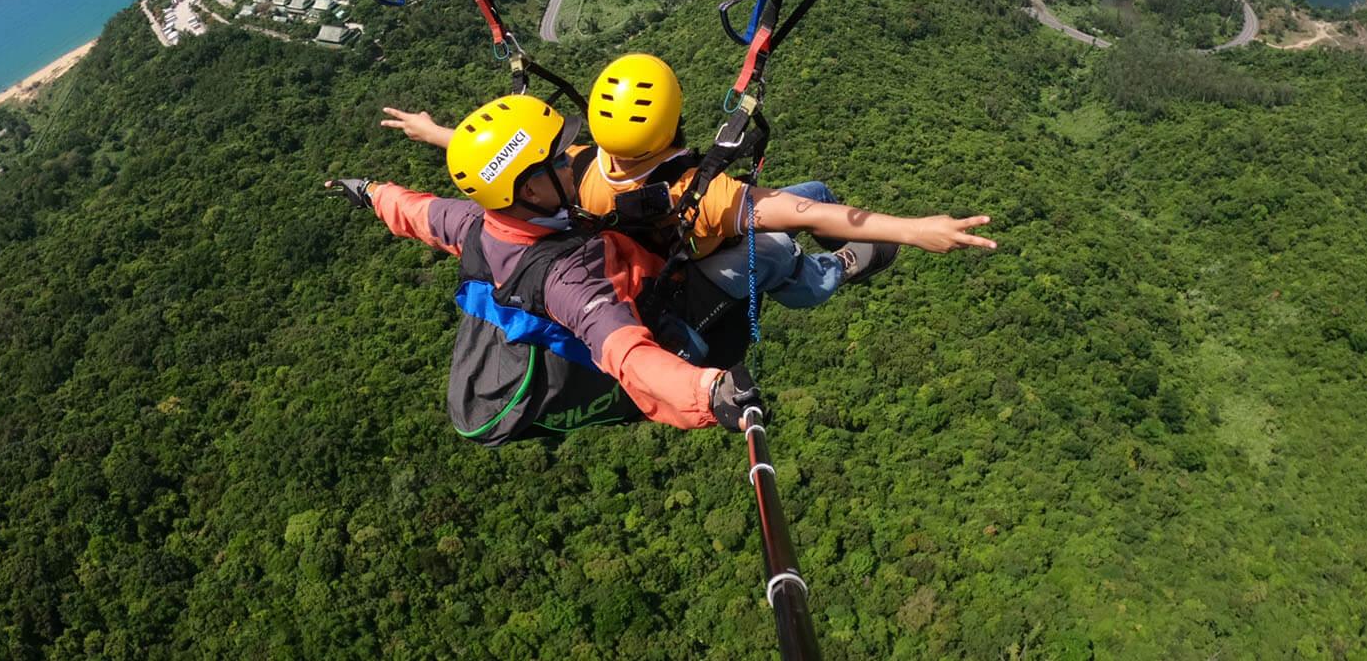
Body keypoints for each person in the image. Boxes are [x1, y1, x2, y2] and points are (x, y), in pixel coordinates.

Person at [379, 53, 995, 310]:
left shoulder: (581, 167)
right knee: (784, 248)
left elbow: (518, 164)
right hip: (693, 269)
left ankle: (829, 249)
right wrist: (916, 231)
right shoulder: (711, 195)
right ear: (675, 121)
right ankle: (838, 272)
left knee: (812, 194)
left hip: (668, 243)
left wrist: (440, 134)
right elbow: (808, 221)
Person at [328, 93, 764, 442]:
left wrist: (368, 191)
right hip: (663, 329)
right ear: (530, 190)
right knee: (767, 255)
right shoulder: (567, 279)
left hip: (620, 281)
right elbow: (624, 350)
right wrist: (709, 394)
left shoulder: (477, 223)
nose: (571, 163)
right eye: (557, 161)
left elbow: (414, 211)